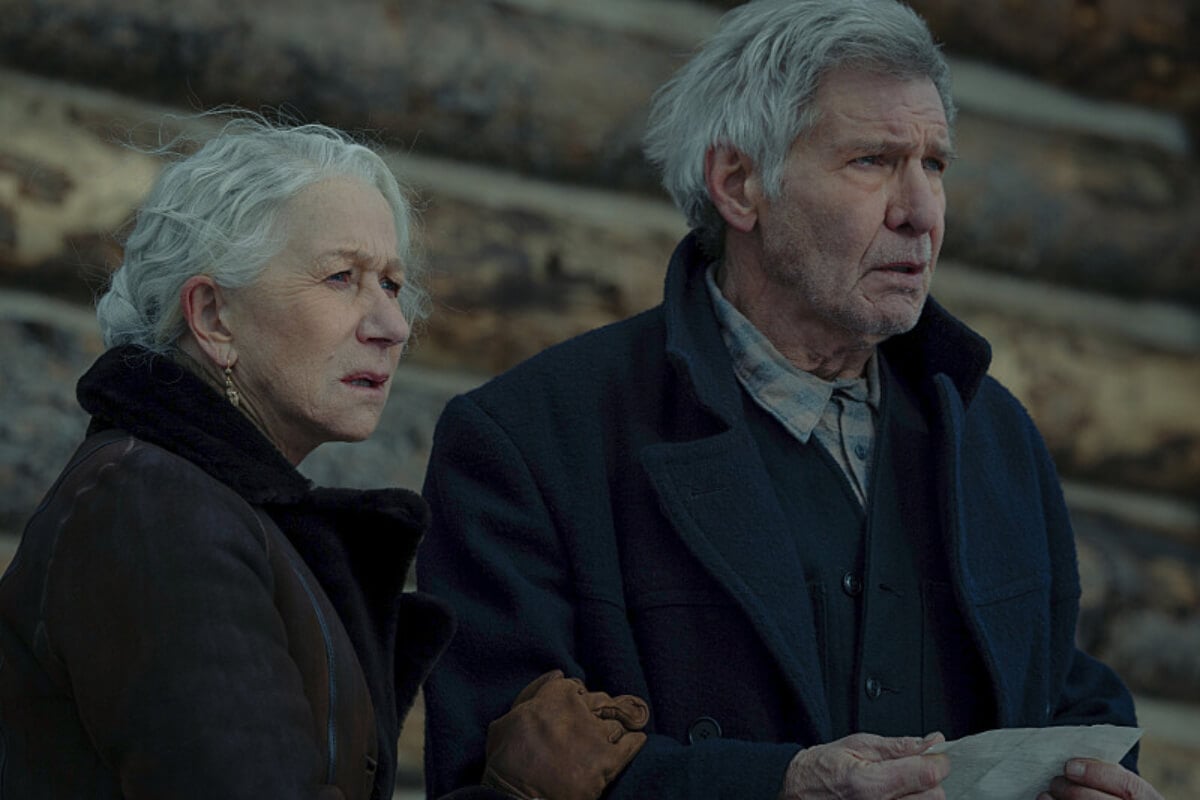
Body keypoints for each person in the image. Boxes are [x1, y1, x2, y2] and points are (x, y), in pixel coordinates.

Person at [417, 2, 1164, 799]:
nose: (920, 213)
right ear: (739, 186)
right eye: (873, 161)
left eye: (935, 164)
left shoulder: (993, 432)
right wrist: (776, 786)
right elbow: (488, 783)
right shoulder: (530, 440)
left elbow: (1056, 681)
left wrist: (1099, 778)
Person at [0, 117, 645, 800]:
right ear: (214, 317)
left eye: (392, 285)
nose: (392, 327)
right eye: (342, 277)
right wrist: (521, 795)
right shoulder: (156, 511)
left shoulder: (198, 502)